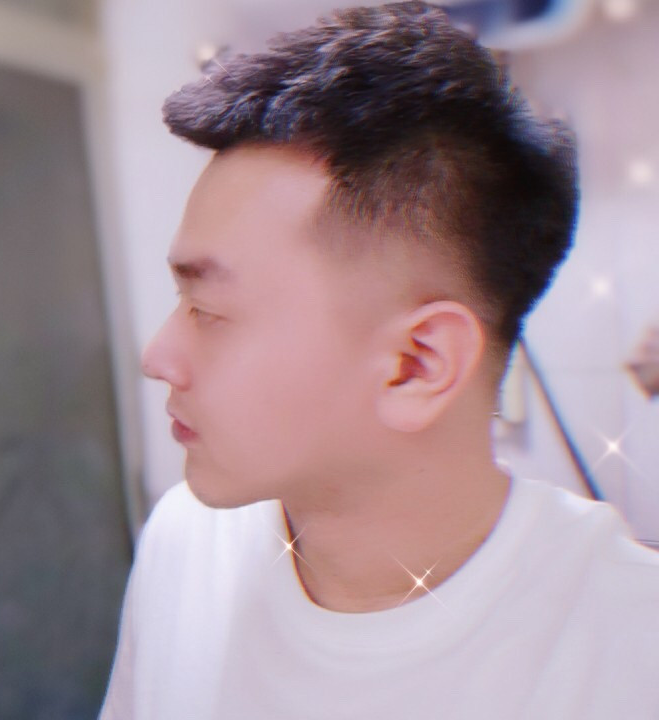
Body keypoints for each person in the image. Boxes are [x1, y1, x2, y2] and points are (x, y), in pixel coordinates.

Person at [99, 2, 659, 718]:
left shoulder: (629, 650)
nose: (158, 357)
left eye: (208, 311)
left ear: (415, 365)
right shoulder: (185, 544)